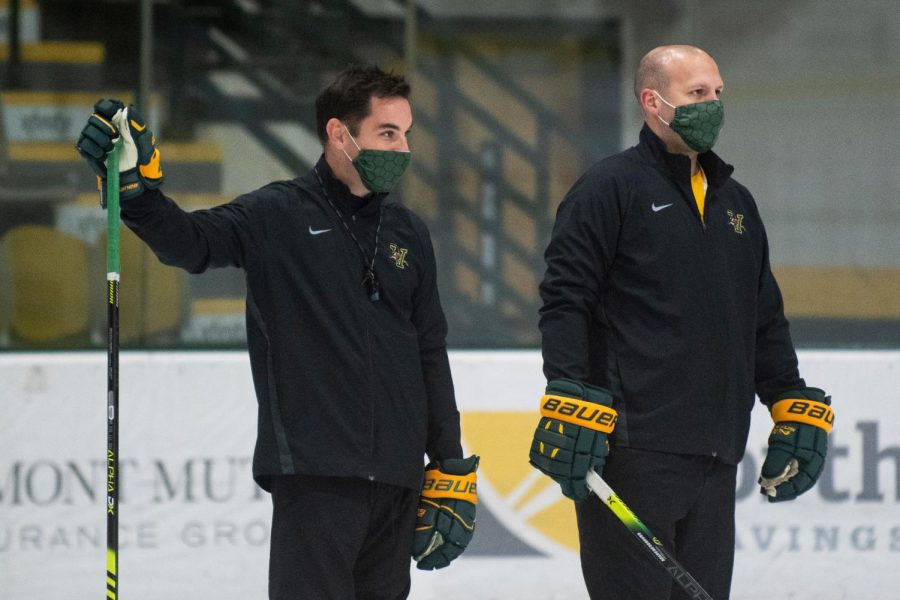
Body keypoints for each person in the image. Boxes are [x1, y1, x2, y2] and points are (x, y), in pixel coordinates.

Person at [76, 65, 479, 600]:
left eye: (406, 133)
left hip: (398, 481)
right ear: (340, 134)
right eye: (388, 133)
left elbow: (429, 348)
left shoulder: (408, 232)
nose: (402, 148)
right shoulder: (276, 213)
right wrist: (139, 199)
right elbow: (191, 243)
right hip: (316, 476)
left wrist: (448, 460)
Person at [528, 45, 833, 599]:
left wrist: (788, 397)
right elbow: (564, 299)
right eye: (697, 94)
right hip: (632, 451)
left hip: (715, 456)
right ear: (653, 102)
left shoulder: (736, 203)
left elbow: (762, 315)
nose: (712, 105)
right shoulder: (609, 189)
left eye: (717, 93)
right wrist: (569, 392)